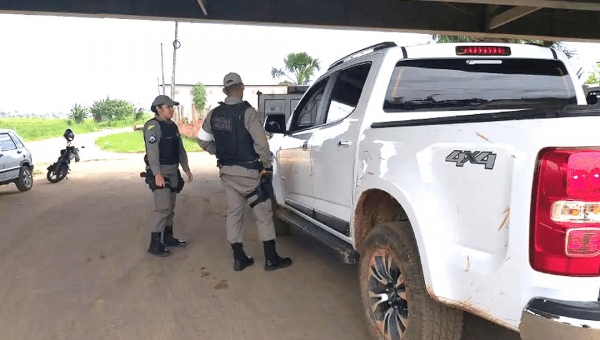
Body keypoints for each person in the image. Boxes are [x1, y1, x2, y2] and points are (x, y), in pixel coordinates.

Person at [197, 72, 292, 272]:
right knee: (263, 213)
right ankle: (271, 259)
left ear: (224, 91)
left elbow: (203, 140)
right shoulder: (248, 112)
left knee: (234, 212)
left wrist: (219, 152)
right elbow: (261, 143)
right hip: (249, 173)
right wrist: (267, 166)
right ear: (241, 88)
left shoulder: (214, 114)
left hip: (227, 173)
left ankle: (239, 258)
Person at [143, 94, 194, 257]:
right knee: (162, 208)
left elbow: (180, 149)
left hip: (173, 170)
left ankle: (168, 236)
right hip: (161, 171)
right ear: (158, 109)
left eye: (172, 107)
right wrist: (157, 173)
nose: (172, 110)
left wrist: (186, 168)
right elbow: (152, 152)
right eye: (169, 107)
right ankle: (155, 244)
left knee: (170, 207)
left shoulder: (172, 126)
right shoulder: (152, 126)